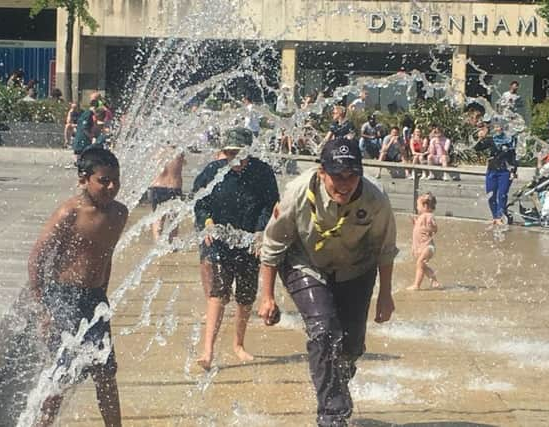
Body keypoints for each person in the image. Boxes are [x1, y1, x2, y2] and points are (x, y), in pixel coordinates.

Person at [257, 137, 398, 427]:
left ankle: (336, 381)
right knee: (324, 332)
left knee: (350, 347)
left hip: (356, 269)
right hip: (304, 263)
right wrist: (267, 296)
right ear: (322, 173)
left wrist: (386, 294)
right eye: (337, 176)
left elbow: (385, 248)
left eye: (352, 175)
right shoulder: (297, 192)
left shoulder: (375, 198)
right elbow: (272, 244)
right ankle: (332, 416)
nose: (345, 184)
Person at [27, 147, 128, 427]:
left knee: (106, 373)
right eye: (104, 180)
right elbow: (37, 258)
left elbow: (105, 257)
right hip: (63, 297)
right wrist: (43, 309)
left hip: (95, 300)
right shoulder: (69, 213)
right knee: (63, 375)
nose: (111, 187)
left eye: (115, 180)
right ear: (84, 179)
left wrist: (103, 298)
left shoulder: (120, 214)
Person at [192, 127, 278, 369]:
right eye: (229, 153)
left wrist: (261, 232)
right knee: (218, 293)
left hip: (250, 240)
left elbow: (269, 204)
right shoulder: (212, 172)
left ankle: (238, 344)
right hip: (218, 238)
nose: (234, 159)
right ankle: (207, 350)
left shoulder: (262, 173)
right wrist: (206, 223)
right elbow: (199, 201)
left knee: (245, 296)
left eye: (239, 154)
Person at [474, 123, 517, 226]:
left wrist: (513, 171)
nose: (499, 128)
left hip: (505, 172)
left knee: (502, 195)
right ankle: (495, 216)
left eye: (501, 127)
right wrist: (480, 138)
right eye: (497, 127)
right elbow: (477, 148)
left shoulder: (509, 140)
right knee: (490, 195)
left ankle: (500, 217)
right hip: (492, 170)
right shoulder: (491, 139)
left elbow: (514, 157)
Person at [149, 146, 185, 242]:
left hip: (157, 187)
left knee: (158, 218)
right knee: (173, 219)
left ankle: (157, 242)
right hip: (174, 187)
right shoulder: (180, 151)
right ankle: (172, 245)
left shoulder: (158, 151)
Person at [407, 193, 441, 290]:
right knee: (422, 265)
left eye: (418, 205)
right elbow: (420, 230)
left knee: (420, 263)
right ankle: (434, 281)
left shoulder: (428, 215)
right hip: (423, 246)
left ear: (425, 206)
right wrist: (415, 223)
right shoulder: (422, 216)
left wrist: (433, 226)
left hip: (427, 246)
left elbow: (434, 227)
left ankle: (416, 285)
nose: (417, 208)